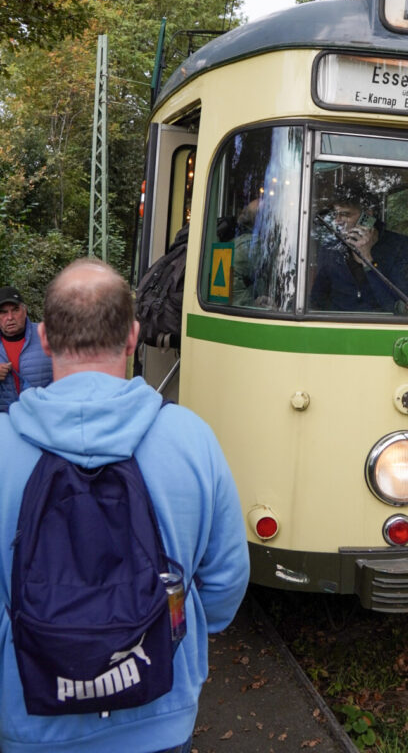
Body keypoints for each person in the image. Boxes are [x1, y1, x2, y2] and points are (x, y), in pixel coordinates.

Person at [0, 259, 250, 753]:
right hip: (161, 715)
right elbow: (225, 583)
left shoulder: (4, 448)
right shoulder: (190, 438)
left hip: (31, 723)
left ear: (45, 337)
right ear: (133, 335)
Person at [310, 185, 408, 311]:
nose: (337, 221)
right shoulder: (331, 248)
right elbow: (316, 300)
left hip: (380, 324)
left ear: (367, 216)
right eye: (336, 214)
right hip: (337, 323)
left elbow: (395, 305)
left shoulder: (398, 245)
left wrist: (368, 261)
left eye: (345, 214)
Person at [0, 285, 53, 413]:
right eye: (3, 312)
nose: (10, 317)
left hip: (42, 418)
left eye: (15, 310)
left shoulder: (46, 335)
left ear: (25, 310)